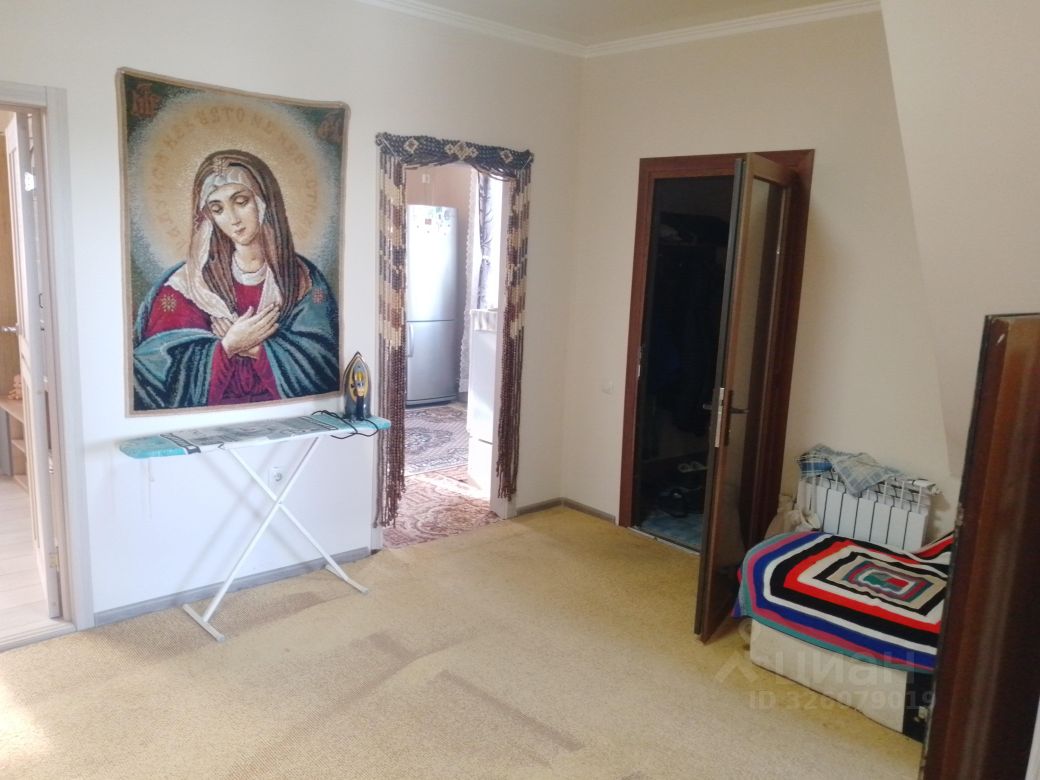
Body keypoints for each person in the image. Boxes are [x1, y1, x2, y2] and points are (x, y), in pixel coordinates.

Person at [133, 149, 339, 410]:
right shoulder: (186, 285)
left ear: (265, 202)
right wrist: (229, 345)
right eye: (217, 209)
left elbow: (322, 365)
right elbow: (154, 372)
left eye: (241, 202)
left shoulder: (303, 280)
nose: (233, 219)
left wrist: (254, 348)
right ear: (208, 218)